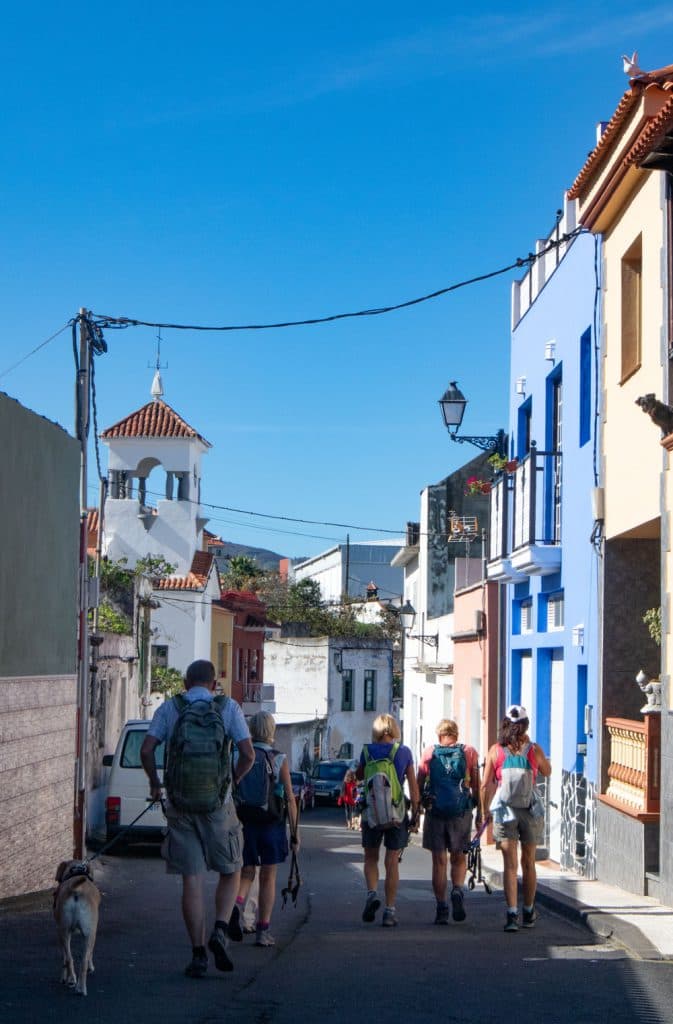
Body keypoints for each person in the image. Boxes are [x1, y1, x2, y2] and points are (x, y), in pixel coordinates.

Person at [140, 659, 255, 978]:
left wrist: (155, 783)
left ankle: (198, 953)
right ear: (215, 682)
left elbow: (147, 750)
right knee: (231, 869)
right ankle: (220, 928)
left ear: (186, 683)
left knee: (192, 878)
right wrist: (233, 779)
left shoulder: (170, 708)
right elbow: (249, 754)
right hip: (218, 805)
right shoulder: (227, 707)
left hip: (180, 804)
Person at [230, 711, 299, 947]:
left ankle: (237, 905)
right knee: (268, 876)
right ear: (271, 731)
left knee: (246, 872)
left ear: (250, 729)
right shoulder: (278, 758)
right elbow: (290, 798)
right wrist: (295, 834)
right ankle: (263, 931)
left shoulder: (238, 755)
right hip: (271, 824)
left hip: (244, 822)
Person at [481, 704, 551, 932]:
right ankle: (529, 912)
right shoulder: (534, 749)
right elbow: (548, 771)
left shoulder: (495, 750)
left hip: (505, 811)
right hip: (529, 809)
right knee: (528, 863)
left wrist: (485, 813)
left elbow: (485, 785)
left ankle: (512, 915)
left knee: (509, 865)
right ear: (526, 725)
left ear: (505, 724)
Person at [356, 713, 420, 928]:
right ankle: (390, 911)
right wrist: (416, 813)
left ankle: (372, 893)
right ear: (394, 730)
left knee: (370, 857)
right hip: (396, 813)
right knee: (392, 861)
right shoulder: (403, 752)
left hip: (371, 813)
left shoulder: (366, 752)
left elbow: (359, 776)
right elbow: (413, 785)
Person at [416, 718, 480, 925]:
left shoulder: (429, 753)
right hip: (460, 813)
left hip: (435, 813)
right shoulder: (469, 752)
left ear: (439, 735)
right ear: (456, 734)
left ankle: (442, 908)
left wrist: (415, 812)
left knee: (439, 861)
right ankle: (458, 890)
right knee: (459, 857)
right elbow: (477, 785)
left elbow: (418, 783)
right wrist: (479, 812)